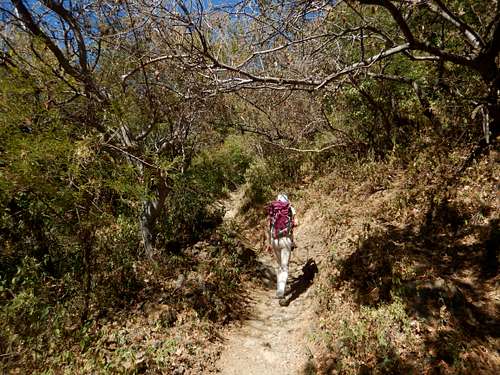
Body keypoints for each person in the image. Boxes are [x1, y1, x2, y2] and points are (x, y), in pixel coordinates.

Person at [266, 193, 297, 301]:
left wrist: (269, 243)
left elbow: (269, 227)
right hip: (286, 240)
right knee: (285, 267)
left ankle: (280, 288)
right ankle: (280, 290)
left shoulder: (273, 210)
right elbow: (296, 223)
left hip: (274, 241)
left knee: (280, 265)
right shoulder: (290, 208)